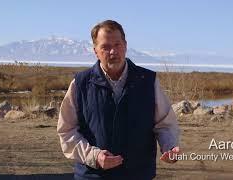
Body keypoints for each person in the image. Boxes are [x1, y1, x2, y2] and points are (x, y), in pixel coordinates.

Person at [57, 20, 180, 180]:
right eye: (105, 47)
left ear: (126, 45)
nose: (113, 51)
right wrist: (94, 156)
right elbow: (67, 131)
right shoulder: (81, 84)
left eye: (117, 44)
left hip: (138, 174)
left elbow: (165, 123)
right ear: (95, 51)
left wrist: (169, 147)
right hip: (93, 175)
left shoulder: (147, 80)